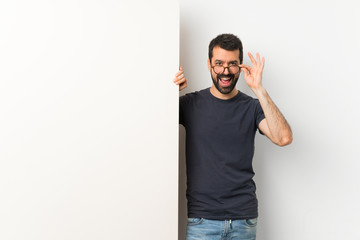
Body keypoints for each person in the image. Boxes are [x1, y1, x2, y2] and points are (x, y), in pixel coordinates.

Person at [173, 33, 293, 240]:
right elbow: (149, 126)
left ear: (241, 66)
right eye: (219, 63)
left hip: (242, 220)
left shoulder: (252, 107)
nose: (225, 71)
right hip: (201, 220)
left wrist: (259, 89)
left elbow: (283, 138)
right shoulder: (190, 104)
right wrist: (169, 95)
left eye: (232, 64)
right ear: (209, 64)